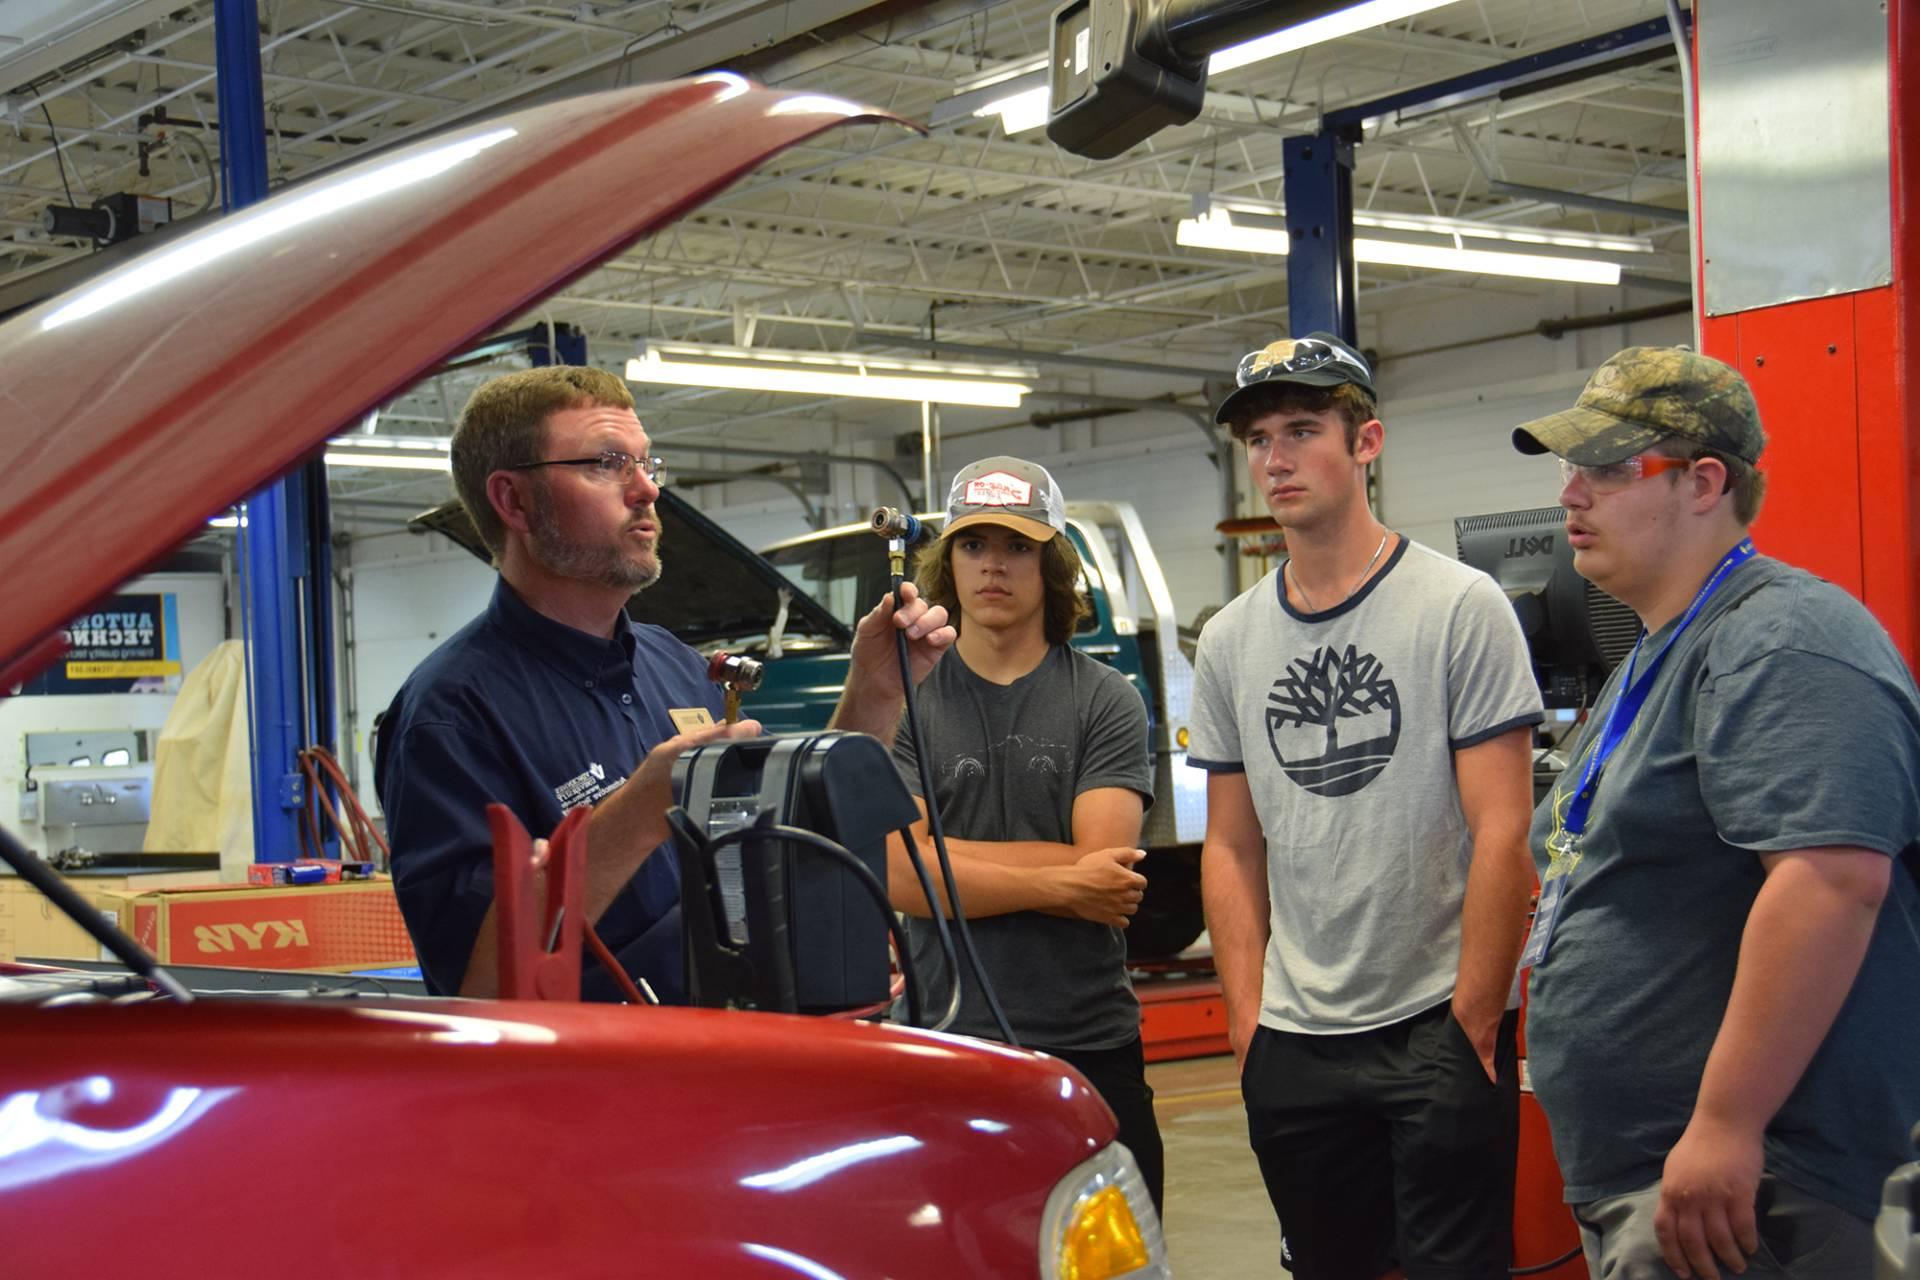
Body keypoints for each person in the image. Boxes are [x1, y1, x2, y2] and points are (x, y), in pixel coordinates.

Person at [1511, 346, 1920, 1280]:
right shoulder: (1656, 656)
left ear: (1704, 482)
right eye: (1571, 469)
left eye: (1609, 468)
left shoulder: (1782, 638)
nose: (1571, 493)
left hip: (1768, 1187)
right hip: (1666, 1178)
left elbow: (1831, 884)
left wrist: (1726, 1124)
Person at [375, 365, 953, 1000]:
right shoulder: (451, 715)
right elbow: (480, 984)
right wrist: (639, 811)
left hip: (729, 1059)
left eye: (649, 464)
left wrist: (873, 693)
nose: (646, 489)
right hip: (592, 1086)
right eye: (607, 463)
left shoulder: (675, 664)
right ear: (513, 501)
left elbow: (786, 854)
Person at [1189, 332, 1544, 1279]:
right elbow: (1229, 845)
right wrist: (1247, 1020)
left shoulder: (1460, 608)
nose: (1276, 459)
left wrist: (1473, 1019)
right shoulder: (1228, 640)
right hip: (1295, 1039)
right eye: (1260, 439)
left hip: (1438, 1023)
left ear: (1367, 444)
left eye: (1303, 430)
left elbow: (1504, 830)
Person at [886, 455, 1164, 1214]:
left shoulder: (1104, 698)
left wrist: (952, 867)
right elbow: (900, 878)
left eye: (1016, 547)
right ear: (949, 564)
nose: (993, 567)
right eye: (974, 547)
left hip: (1088, 1042)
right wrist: (1057, 877)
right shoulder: (906, 701)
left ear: (1052, 564)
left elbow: (1104, 877)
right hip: (943, 1042)